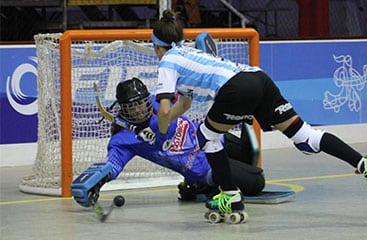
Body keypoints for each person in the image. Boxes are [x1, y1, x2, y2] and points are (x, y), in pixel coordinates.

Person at [151, 9, 367, 218]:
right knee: (305, 137)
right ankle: (365, 164)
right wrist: (167, 123)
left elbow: (163, 109)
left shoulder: (167, 62)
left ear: (155, 46)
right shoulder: (189, 52)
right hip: (259, 79)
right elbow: (183, 105)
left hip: (236, 88)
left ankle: (230, 196)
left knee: (207, 137)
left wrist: (162, 135)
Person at [70, 78, 265, 208]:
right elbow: (113, 165)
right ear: (122, 109)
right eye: (131, 108)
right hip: (204, 168)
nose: (138, 111)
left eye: (140, 104)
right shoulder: (123, 139)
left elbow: (184, 88)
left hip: (211, 140)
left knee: (251, 155)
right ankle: (203, 186)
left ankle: (200, 188)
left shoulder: (161, 100)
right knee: (257, 182)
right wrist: (97, 180)